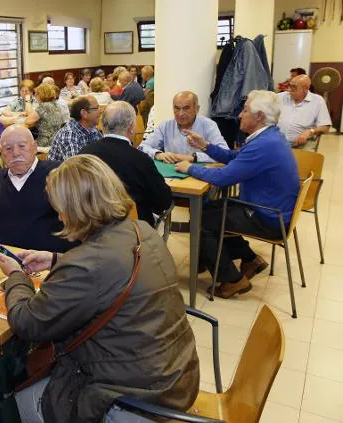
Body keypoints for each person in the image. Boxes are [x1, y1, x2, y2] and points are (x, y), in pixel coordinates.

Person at [0, 154, 199, 423]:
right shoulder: (142, 230)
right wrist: (56, 259)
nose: (58, 215)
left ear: (75, 208)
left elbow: (27, 322)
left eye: (60, 207)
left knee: (12, 403)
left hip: (133, 399)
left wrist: (16, 276)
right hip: (177, 372)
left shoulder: (86, 266)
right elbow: (111, 270)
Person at [175, 90, 300, 298]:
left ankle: (232, 280)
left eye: (245, 110)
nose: (240, 115)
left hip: (267, 217)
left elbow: (223, 177)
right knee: (212, 209)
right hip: (272, 210)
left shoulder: (264, 145)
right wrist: (205, 146)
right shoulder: (269, 136)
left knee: (204, 219)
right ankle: (249, 259)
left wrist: (189, 168)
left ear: (259, 116)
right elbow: (235, 157)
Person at [0, 125, 76, 253]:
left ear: (34, 147)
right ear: (1, 152)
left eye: (22, 146)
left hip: (52, 262)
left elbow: (80, 221)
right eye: (8, 148)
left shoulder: (59, 173)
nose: (16, 153)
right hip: (9, 262)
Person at [81, 101, 173, 227]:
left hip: (90, 227)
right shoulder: (140, 159)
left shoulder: (84, 154)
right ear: (131, 128)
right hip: (133, 231)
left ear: (103, 124)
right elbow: (164, 201)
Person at [139, 91, 228, 163]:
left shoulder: (208, 125)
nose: (181, 114)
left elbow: (225, 153)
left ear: (197, 109)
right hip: (173, 175)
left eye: (186, 108)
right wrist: (157, 154)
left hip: (200, 175)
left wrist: (193, 158)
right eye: (177, 108)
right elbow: (142, 147)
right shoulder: (166, 125)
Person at [278, 74, 331, 149]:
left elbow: (325, 127)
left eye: (294, 87)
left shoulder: (317, 101)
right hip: (277, 143)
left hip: (301, 146)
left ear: (305, 89)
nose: (289, 90)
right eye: (289, 86)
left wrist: (310, 131)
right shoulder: (281, 97)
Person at [48, 96, 102, 163]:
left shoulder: (92, 128)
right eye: (96, 108)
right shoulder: (69, 135)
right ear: (84, 113)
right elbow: (75, 168)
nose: (100, 111)